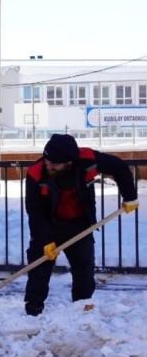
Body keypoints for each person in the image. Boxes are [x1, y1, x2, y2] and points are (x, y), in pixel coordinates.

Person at [22, 133, 137, 316]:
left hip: (79, 224)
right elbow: (34, 211)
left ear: (69, 162)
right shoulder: (36, 173)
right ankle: (33, 311)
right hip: (49, 226)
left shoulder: (87, 160)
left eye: (54, 163)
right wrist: (45, 241)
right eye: (47, 160)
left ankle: (82, 311)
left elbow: (119, 167)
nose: (48, 165)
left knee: (84, 268)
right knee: (39, 266)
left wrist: (130, 197)